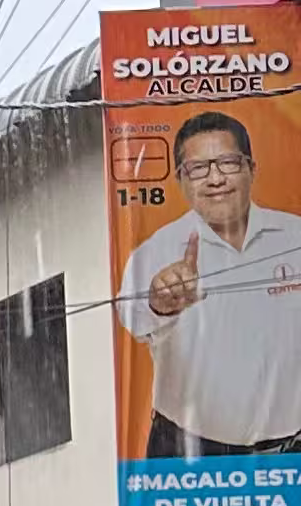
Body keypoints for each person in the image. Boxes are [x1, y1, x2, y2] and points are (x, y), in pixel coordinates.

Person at [115, 109, 301, 460]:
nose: (215, 179)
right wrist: (160, 302)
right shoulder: (155, 252)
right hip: (189, 457)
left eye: (228, 163)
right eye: (198, 169)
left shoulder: (295, 238)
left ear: (251, 169)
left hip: (291, 457)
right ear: (180, 181)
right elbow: (132, 317)